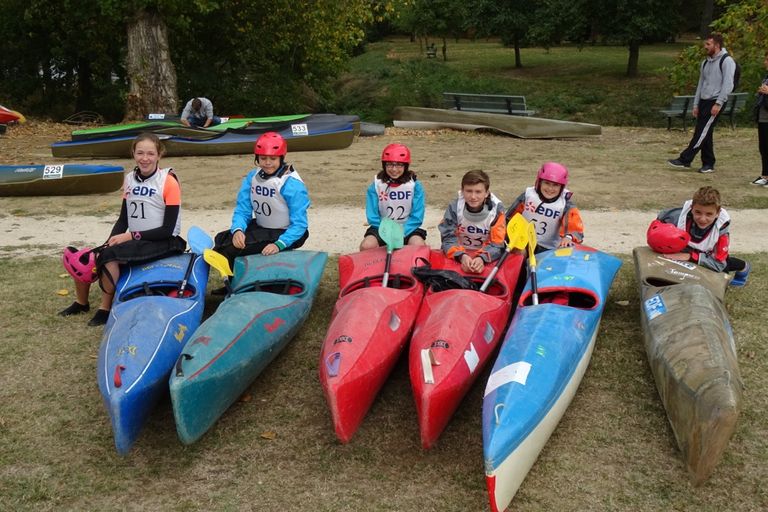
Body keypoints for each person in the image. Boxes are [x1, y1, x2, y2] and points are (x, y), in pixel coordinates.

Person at [59, 133, 186, 325]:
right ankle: (81, 302)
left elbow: (167, 229)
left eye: (150, 153)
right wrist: (107, 243)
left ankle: (105, 308)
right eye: (140, 153)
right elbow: (123, 219)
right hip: (137, 239)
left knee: (109, 256)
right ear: (133, 153)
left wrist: (130, 237)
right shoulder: (129, 179)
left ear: (159, 155)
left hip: (165, 241)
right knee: (86, 256)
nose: (145, 158)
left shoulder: (168, 181)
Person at [212, 131, 309, 283]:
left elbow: (300, 225)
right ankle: (233, 285)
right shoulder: (252, 177)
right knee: (220, 241)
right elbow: (243, 209)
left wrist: (279, 244)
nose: (267, 162)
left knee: (231, 250)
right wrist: (238, 230)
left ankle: (236, 286)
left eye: (273, 158)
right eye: (263, 158)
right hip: (262, 227)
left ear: (281, 158)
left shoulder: (291, 184)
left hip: (287, 233)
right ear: (257, 158)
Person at [655, 186, 750, 286]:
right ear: (691, 208)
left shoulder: (721, 230)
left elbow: (719, 265)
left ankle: (744, 266)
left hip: (708, 254)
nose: (702, 219)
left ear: (718, 213)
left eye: (709, 214)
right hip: (686, 249)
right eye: (698, 212)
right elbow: (659, 221)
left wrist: (689, 256)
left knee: (721, 273)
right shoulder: (676, 216)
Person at [668, 33, 736, 174]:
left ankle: (685, 159)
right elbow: (701, 84)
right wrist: (696, 104)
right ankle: (708, 163)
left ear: (717, 45)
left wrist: (718, 103)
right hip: (704, 101)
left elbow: (728, 84)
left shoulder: (727, 61)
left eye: (708, 44)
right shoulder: (705, 62)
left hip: (715, 101)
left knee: (701, 132)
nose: (705, 47)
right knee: (706, 132)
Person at [360, 143, 427, 251]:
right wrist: (386, 232)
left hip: (407, 229)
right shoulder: (376, 185)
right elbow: (372, 215)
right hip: (382, 228)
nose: (394, 169)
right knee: (366, 246)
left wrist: (401, 232)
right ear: (384, 165)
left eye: (399, 165)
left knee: (419, 246)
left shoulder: (415, 186)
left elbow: (417, 215)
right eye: (390, 165)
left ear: (405, 166)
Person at [439, 170, 506, 274]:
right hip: (458, 254)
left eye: (478, 192)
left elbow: (497, 243)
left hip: (487, 256)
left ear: (486, 193)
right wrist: (461, 256)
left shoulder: (497, 210)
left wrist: (482, 258)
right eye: (469, 191)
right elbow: (448, 238)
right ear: (462, 191)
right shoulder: (455, 207)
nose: (473, 197)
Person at [505, 162, 584, 251]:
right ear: (539, 182)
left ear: (561, 187)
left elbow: (575, 229)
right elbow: (508, 218)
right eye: (546, 183)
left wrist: (568, 237)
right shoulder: (527, 196)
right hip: (524, 242)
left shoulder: (566, 205)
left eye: (555, 185)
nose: (550, 189)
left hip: (549, 248)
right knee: (519, 251)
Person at [751, 52, 768, 186]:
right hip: (763, 116)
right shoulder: (766, 77)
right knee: (764, 147)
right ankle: (765, 175)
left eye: (767, 60)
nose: (765, 62)